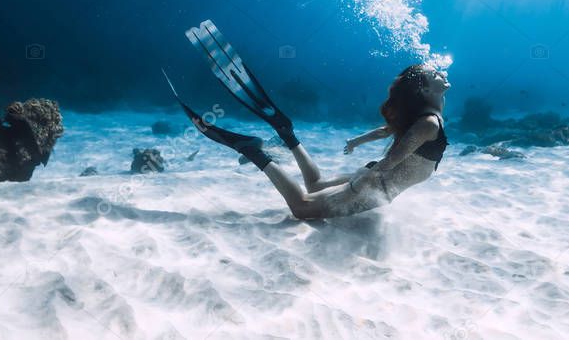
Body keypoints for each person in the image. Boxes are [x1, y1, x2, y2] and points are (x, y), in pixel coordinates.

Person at [164, 21, 449, 220]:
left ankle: (288, 135)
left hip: (374, 178)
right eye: (434, 74)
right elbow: (393, 160)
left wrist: (358, 141)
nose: (441, 73)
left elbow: (387, 131)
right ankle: (252, 151)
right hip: (377, 185)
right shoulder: (429, 123)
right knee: (301, 208)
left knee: (315, 185)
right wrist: (356, 189)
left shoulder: (427, 116)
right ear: (424, 89)